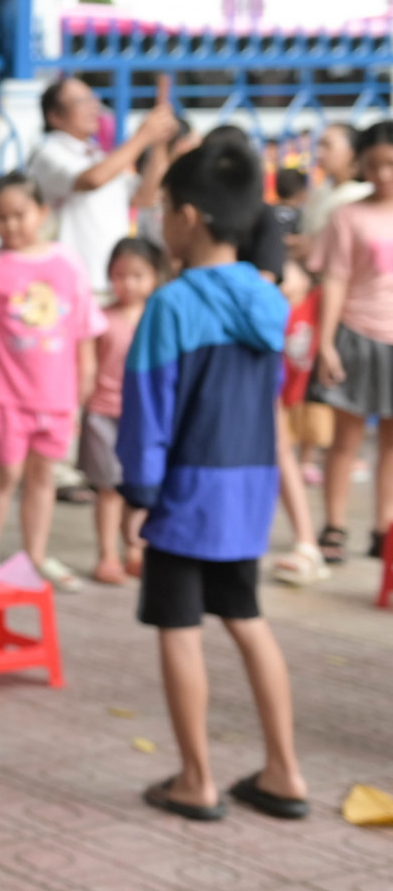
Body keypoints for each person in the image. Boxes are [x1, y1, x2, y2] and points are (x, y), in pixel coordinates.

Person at [121, 137, 307, 822]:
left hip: (184, 493)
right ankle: (285, 770)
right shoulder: (268, 302)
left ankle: (196, 779)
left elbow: (149, 411)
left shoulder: (172, 305)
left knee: (179, 626)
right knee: (248, 620)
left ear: (189, 216)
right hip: (247, 491)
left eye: (164, 208)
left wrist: (137, 496)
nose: (161, 221)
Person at [0, 172, 105, 591]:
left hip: (56, 397)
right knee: (5, 474)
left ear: (41, 212)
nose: (11, 225)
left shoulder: (67, 262)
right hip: (4, 396)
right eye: (0, 218)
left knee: (43, 477)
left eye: (19, 214)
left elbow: (84, 331)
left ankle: (35, 556)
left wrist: (84, 388)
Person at [307, 121, 393, 564]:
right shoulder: (347, 216)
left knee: (391, 447)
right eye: (374, 165)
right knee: (345, 440)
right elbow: (334, 281)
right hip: (357, 335)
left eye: (391, 165)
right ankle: (334, 526)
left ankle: (385, 528)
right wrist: (325, 342)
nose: (383, 175)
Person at [28, 77, 179, 294]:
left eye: (93, 99)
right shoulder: (47, 152)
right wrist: (142, 137)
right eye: (81, 101)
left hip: (114, 280)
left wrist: (158, 141)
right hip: (75, 283)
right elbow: (92, 180)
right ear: (55, 116)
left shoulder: (99, 155)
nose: (94, 107)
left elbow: (145, 196)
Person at [82, 238, 162, 585]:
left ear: (155, 277)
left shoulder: (161, 317)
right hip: (104, 413)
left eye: (138, 275)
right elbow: (87, 366)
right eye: (119, 274)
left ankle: (135, 550)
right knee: (109, 489)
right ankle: (107, 555)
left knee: (138, 486)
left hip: (145, 417)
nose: (128, 283)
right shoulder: (101, 318)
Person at [266, 259, 330, 585]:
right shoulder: (270, 305)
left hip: (299, 395)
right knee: (279, 453)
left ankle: (307, 543)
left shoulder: (316, 302)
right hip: (276, 390)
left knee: (282, 452)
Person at [290, 122, 368, 261]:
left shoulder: (363, 195)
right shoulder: (320, 191)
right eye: (318, 145)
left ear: (352, 152)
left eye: (327, 146)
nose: (318, 153)